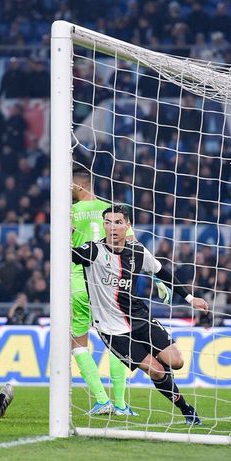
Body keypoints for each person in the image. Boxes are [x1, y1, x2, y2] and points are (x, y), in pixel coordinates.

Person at [72, 205, 210, 425]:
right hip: (112, 329)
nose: (113, 227)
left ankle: (166, 379)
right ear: (103, 225)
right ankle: (186, 409)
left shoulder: (136, 250)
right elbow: (68, 255)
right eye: (108, 222)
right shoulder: (93, 250)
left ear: (128, 226)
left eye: (118, 222)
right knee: (156, 372)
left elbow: (161, 271)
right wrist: (65, 235)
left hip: (140, 318)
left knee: (176, 362)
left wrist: (190, 299)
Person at [70, 168, 136, 415]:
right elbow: (133, 244)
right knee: (116, 339)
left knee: (77, 341)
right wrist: (156, 277)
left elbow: (63, 246)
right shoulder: (112, 210)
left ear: (79, 186)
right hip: (108, 282)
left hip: (78, 280)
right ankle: (119, 404)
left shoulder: (70, 211)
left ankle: (101, 399)